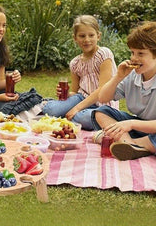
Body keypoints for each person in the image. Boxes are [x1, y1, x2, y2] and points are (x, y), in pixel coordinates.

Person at [92, 21, 156, 161]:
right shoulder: (133, 75)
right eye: (132, 52)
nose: (134, 58)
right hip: (140, 127)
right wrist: (118, 76)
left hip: (151, 128)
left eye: (141, 53)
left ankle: (129, 144)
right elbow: (103, 98)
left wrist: (131, 124)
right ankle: (132, 145)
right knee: (102, 111)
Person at [42, 15, 118, 130]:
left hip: (103, 104)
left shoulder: (104, 54)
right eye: (82, 36)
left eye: (91, 35)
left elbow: (103, 89)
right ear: (75, 38)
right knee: (50, 109)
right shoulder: (75, 63)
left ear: (98, 36)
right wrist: (67, 94)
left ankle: (73, 116)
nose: (87, 40)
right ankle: (69, 115)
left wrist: (76, 108)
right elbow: (75, 92)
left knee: (85, 118)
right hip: (81, 99)